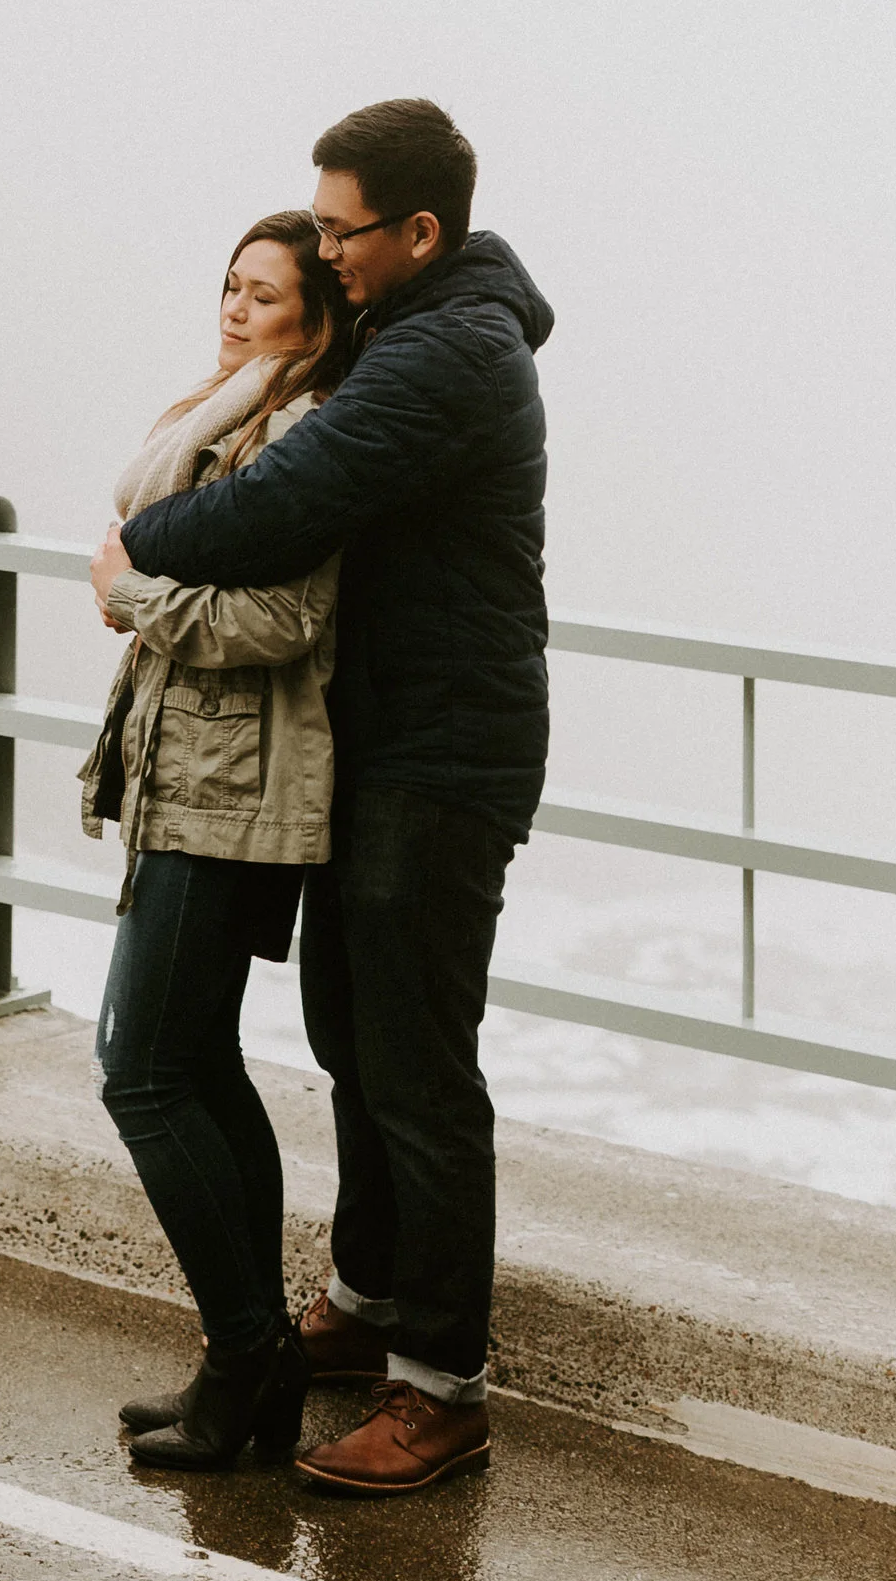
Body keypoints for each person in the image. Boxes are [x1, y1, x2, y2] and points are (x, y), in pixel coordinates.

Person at [91, 97, 551, 1500]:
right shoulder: (420, 330)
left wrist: (137, 557)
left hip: (440, 750)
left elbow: (285, 504)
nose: (328, 248)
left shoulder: (450, 354)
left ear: (417, 230)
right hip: (387, 740)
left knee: (416, 1068)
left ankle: (442, 1392)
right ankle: (365, 1298)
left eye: (343, 228)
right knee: (354, 1033)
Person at [79, 210, 351, 1470]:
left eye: (265, 295)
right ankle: (251, 1364)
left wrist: (131, 595)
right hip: (190, 773)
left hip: (231, 787)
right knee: (196, 1061)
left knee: (141, 1070)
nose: (235, 310)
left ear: (318, 316)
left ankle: (248, 1354)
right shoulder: (232, 411)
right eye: (229, 286)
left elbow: (286, 617)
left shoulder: (300, 433)